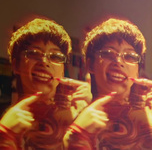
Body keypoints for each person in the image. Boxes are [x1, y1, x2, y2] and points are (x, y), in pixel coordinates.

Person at [63, 18, 152, 149]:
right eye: (108, 54)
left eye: (129, 56)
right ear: (90, 64)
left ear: (137, 70)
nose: (118, 62)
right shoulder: (71, 113)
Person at [0, 18, 91, 149]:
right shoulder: (4, 120)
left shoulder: (78, 116)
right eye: (33, 53)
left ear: (62, 70)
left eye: (55, 57)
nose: (44, 61)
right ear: (16, 65)